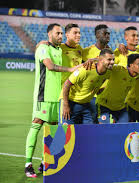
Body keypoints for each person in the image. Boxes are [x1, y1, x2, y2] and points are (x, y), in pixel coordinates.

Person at [25, 23, 81, 178]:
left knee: (53, 131)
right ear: (49, 34)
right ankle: (28, 164)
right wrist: (70, 70)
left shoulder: (59, 49)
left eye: (62, 34)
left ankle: (45, 162)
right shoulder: (43, 48)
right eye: (58, 33)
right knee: (36, 125)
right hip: (43, 96)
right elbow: (49, 66)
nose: (61, 36)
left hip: (57, 98)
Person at [60, 49, 114, 124]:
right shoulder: (85, 70)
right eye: (109, 59)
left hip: (86, 103)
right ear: (101, 60)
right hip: (71, 102)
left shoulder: (109, 71)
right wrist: (66, 105)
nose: (112, 62)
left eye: (113, 59)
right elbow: (66, 84)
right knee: (66, 132)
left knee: (89, 131)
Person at [96, 54, 139, 124]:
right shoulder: (119, 70)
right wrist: (91, 60)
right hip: (104, 104)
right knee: (104, 128)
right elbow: (103, 64)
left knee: (124, 128)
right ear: (131, 65)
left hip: (120, 107)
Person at [82, 24, 111, 123]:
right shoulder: (86, 52)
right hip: (91, 97)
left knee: (105, 127)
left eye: (108, 33)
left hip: (106, 97)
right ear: (97, 35)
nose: (107, 35)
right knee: (91, 126)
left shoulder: (112, 53)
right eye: (105, 33)